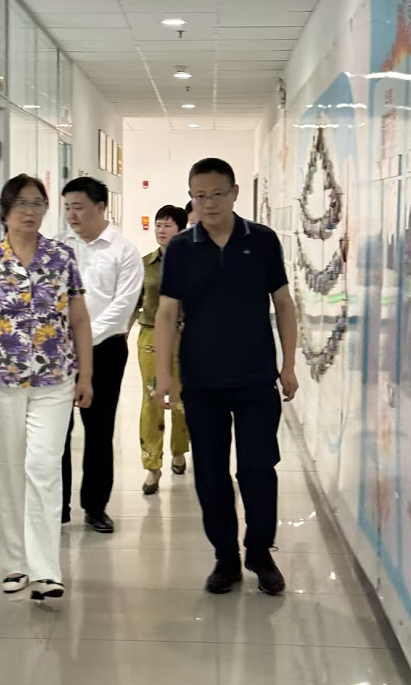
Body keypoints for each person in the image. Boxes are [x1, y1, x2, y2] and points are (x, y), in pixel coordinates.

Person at [155, 158, 299, 596]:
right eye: (199, 196)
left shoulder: (263, 240)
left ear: (235, 193)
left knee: (258, 468)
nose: (209, 203)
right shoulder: (181, 248)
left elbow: (284, 304)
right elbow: (166, 313)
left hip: (255, 378)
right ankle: (226, 557)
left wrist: (289, 364)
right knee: (211, 473)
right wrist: (164, 375)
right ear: (191, 198)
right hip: (202, 381)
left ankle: (259, 551)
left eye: (217, 194)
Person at [0, 174, 93, 601]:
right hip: (2, 380)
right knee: (11, 469)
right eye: (21, 204)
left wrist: (86, 375)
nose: (30, 212)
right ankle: (15, 562)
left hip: (55, 378)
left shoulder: (61, 257)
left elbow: (79, 319)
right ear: (5, 211)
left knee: (44, 467)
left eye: (37, 203)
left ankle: (46, 569)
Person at [60, 177, 143, 533]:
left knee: (99, 429)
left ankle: (95, 506)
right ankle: (57, 506)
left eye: (78, 207)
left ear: (100, 207)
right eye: (67, 208)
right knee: (57, 429)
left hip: (106, 348)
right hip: (60, 350)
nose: (71, 215)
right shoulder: (59, 248)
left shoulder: (124, 250)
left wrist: (84, 336)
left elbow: (123, 305)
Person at [134, 205, 190, 495]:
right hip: (150, 336)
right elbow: (135, 302)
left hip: (183, 336)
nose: (161, 230)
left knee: (181, 398)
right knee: (151, 399)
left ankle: (179, 451)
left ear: (180, 229)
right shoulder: (145, 264)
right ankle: (152, 466)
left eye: (167, 225)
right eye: (158, 225)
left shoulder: (192, 261)